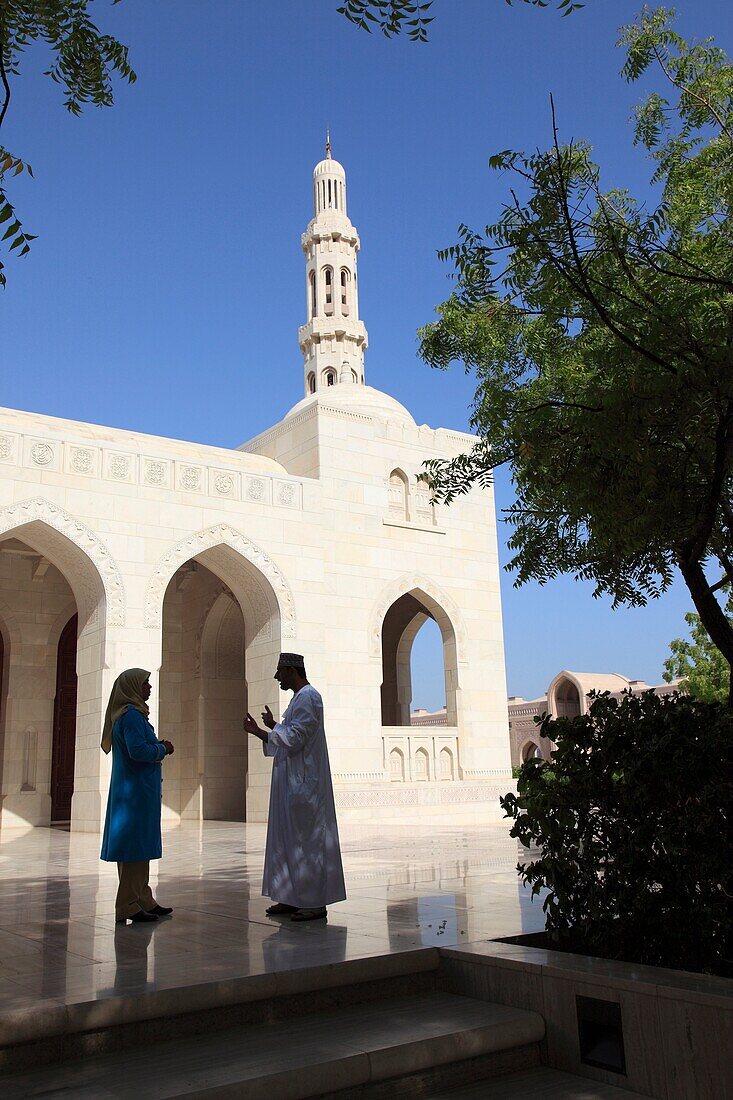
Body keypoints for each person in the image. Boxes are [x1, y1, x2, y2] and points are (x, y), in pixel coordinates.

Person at [244, 653, 346, 921]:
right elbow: (293, 733)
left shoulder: (309, 697)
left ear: (292, 670)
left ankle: (313, 902)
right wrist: (274, 726)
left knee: (307, 842)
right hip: (292, 783)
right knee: (288, 840)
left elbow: (297, 737)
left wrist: (260, 732)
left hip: (305, 784)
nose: (277, 677)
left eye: (280, 671)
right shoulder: (298, 699)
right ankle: (291, 897)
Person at [100, 668, 175, 925]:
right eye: (145, 684)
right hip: (134, 793)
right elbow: (138, 751)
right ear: (132, 687)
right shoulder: (131, 716)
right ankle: (128, 905)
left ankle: (143, 898)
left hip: (137, 791)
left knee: (140, 847)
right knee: (133, 849)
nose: (149, 688)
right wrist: (163, 748)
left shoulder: (134, 715)